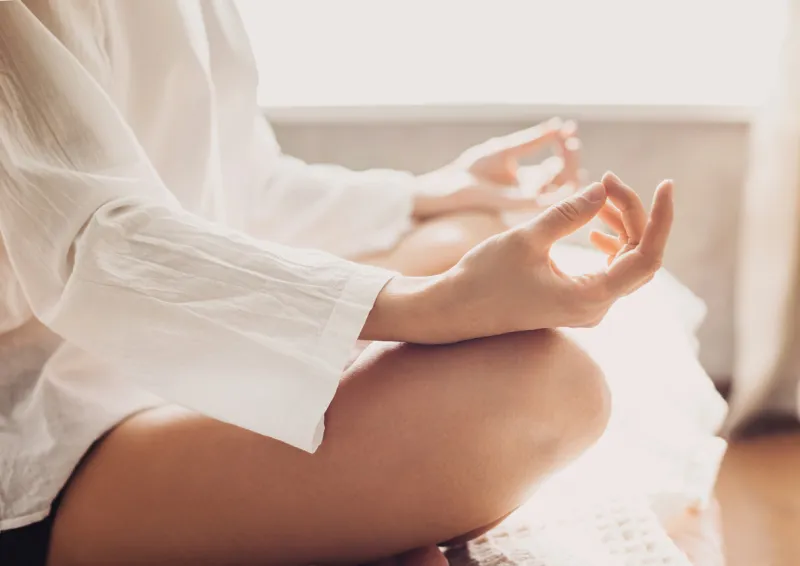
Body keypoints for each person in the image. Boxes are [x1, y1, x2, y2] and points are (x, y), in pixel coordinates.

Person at [0, 1, 673, 565]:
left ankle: (340, 502)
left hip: (190, 350)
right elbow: (90, 243)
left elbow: (241, 185)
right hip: (60, 434)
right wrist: (423, 307)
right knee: (549, 390)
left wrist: (428, 193)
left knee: (465, 227)